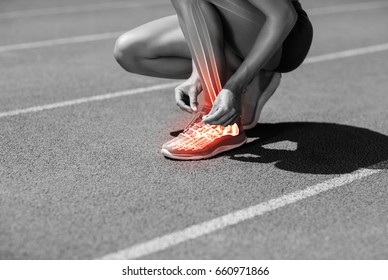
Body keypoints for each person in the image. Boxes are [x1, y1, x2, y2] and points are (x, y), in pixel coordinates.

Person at [114, 0, 313, 160]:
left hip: (285, 40)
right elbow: (199, 13)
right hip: (237, 27)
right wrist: (198, 73)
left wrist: (235, 86)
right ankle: (256, 78)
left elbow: (284, 15)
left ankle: (219, 122)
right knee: (129, 51)